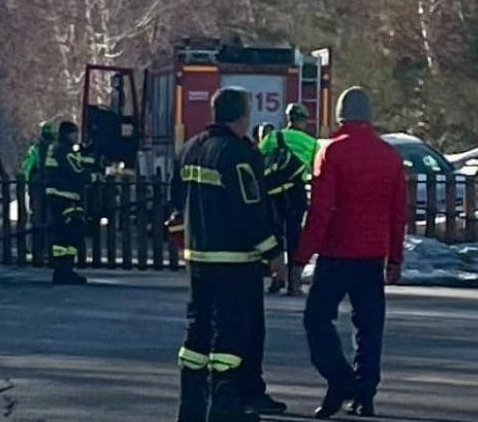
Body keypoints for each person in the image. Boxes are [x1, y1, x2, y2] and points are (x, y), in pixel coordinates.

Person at [295, 88, 407, 419]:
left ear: (341, 116)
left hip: (336, 252)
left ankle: (339, 379)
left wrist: (302, 254)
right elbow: (398, 213)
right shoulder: (389, 156)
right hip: (372, 255)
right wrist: (395, 258)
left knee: (317, 319)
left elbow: (320, 209)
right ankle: (365, 393)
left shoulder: (331, 153)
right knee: (369, 326)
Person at [174, 88, 282, 422]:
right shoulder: (238, 154)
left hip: (198, 261)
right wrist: (273, 253)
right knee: (231, 337)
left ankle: (191, 410)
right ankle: (225, 409)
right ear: (241, 116)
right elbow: (249, 210)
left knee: (197, 335)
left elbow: (177, 205)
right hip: (234, 263)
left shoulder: (189, 149)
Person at [259, 103, 319, 296]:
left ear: (288, 119)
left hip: (273, 192)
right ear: (303, 121)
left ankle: (277, 276)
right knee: (294, 236)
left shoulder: (274, 137)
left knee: (275, 234)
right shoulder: (312, 143)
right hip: (296, 193)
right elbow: (316, 170)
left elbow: (258, 158)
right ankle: (294, 282)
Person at [44, 121, 96, 285]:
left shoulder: (57, 149)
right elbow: (76, 171)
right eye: (73, 133)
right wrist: (93, 177)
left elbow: (76, 162)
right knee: (71, 232)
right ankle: (65, 270)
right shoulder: (64, 151)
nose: (76, 136)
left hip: (58, 196)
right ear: (66, 134)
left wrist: (87, 155)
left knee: (62, 235)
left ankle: (62, 270)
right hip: (66, 197)